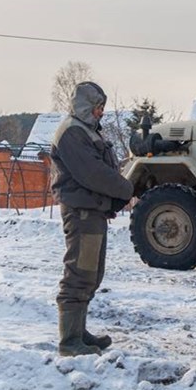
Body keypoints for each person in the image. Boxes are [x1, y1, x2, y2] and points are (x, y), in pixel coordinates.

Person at [51, 81, 134, 357]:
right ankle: (69, 341)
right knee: (79, 272)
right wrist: (126, 190)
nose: (101, 113)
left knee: (91, 274)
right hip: (82, 212)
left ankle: (79, 333)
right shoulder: (72, 133)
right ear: (86, 106)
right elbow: (93, 173)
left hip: (93, 211)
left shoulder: (85, 130)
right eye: (97, 107)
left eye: (102, 107)